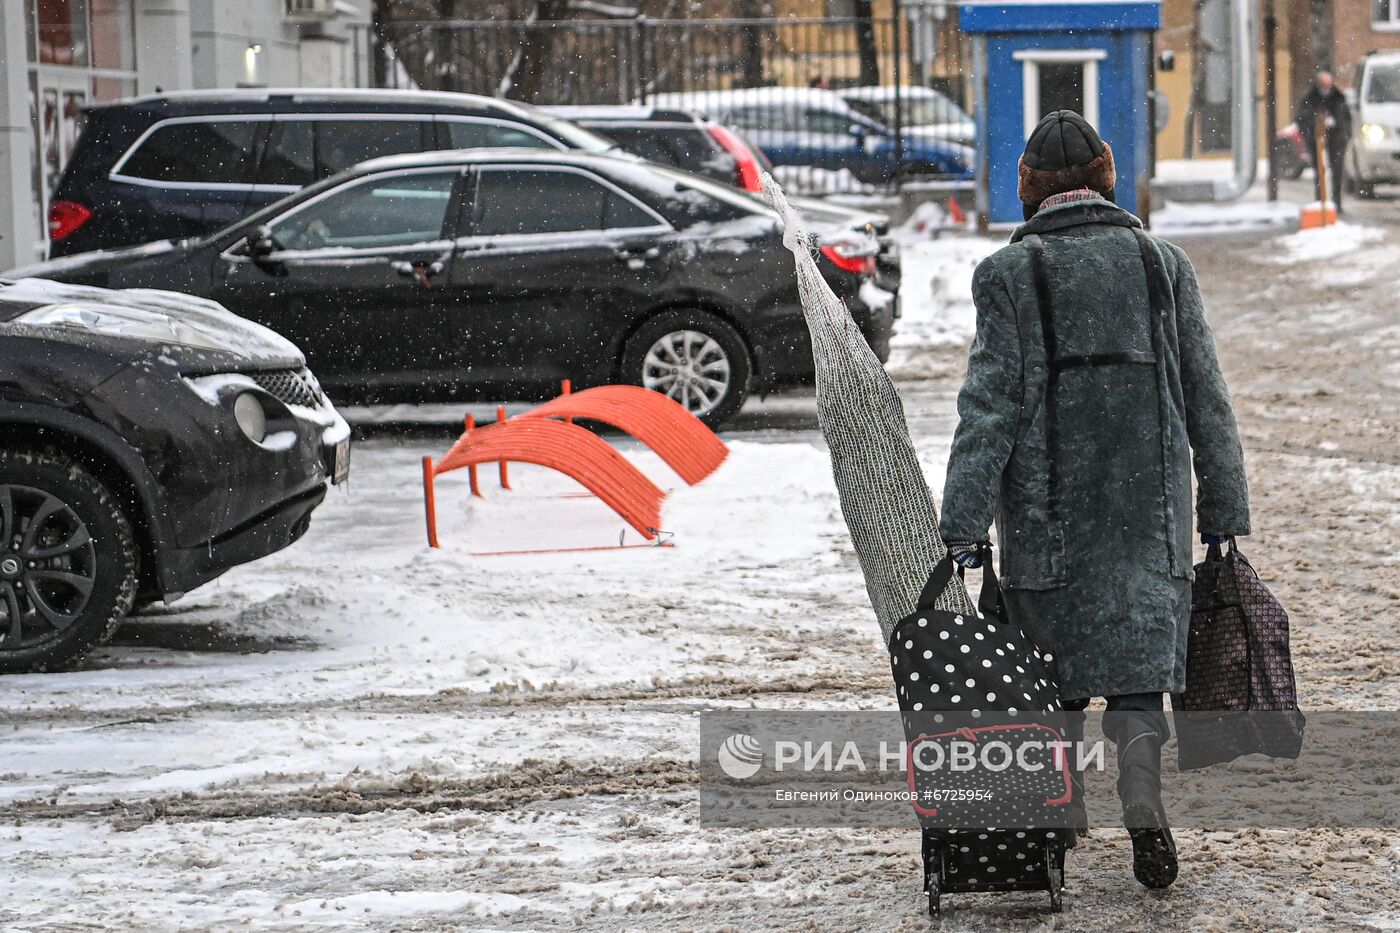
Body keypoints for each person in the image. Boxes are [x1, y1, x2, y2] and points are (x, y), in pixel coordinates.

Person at [938, 111, 1251, 890]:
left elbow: (989, 409)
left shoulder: (1010, 276)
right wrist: (1222, 513)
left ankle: (1060, 808)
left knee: (1052, 679)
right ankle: (1140, 790)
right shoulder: (1162, 265)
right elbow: (1208, 399)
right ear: (1106, 176)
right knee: (1139, 679)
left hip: (1050, 520)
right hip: (1151, 519)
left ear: (1029, 188)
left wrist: (962, 524)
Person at [1296, 70, 1352, 211]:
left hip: (1336, 140)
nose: (1326, 87)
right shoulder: (1310, 98)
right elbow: (1302, 118)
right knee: (1320, 172)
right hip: (1316, 140)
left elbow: (1346, 119)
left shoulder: (1338, 97)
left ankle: (1336, 203)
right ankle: (1320, 201)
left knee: (1336, 172)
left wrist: (1338, 128)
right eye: (1323, 84)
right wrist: (1315, 126)